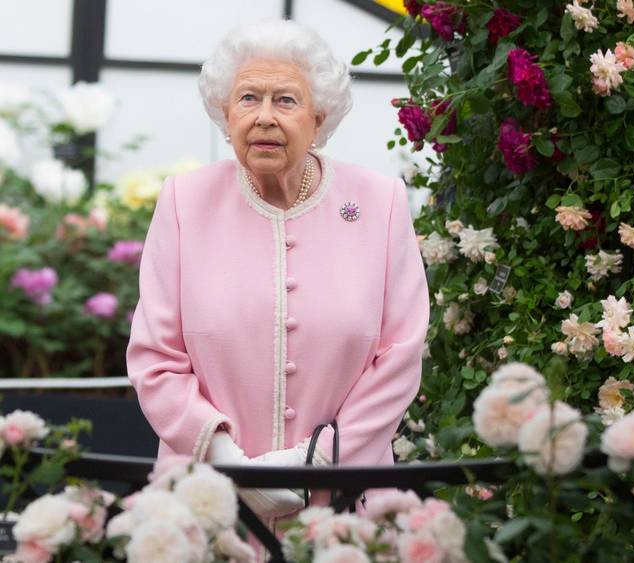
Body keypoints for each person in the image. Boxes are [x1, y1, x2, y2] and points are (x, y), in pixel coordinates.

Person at [126, 19, 429, 519]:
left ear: (320, 117)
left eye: (285, 100)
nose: (264, 117)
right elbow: (156, 358)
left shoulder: (381, 203)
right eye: (248, 98)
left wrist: (310, 464)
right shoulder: (184, 201)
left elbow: (400, 358)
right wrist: (230, 465)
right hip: (210, 502)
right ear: (225, 115)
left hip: (344, 504)